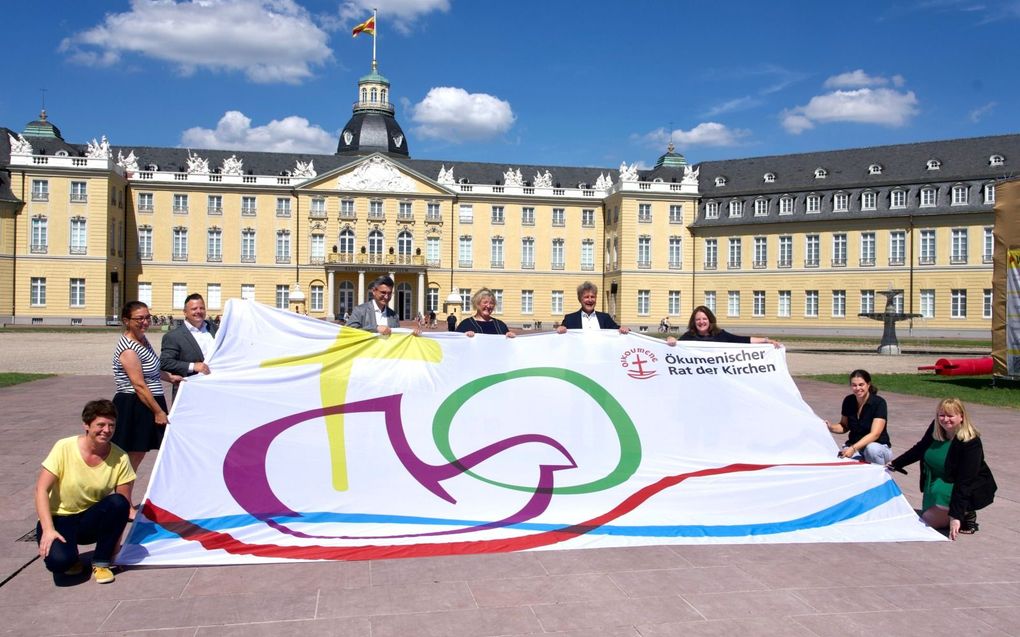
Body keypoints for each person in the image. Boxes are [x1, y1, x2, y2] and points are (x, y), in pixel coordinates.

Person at [35, 399, 135, 584]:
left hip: (90, 519)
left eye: (111, 425)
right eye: (100, 425)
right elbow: (41, 489)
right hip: (60, 519)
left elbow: (123, 508)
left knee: (118, 502)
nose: (106, 430)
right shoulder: (64, 447)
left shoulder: (121, 457)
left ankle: (101, 562)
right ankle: (71, 559)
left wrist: (114, 552)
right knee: (60, 564)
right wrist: (48, 529)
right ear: (86, 425)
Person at [888, 398, 996, 540]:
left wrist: (955, 516)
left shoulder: (971, 442)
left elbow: (965, 481)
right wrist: (896, 463)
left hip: (965, 486)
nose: (945, 420)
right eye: (942, 415)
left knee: (929, 520)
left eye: (951, 416)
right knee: (928, 518)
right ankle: (952, 510)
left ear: (961, 416)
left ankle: (965, 513)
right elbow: (921, 448)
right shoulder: (936, 427)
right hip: (937, 482)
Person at [113, 301, 182, 473]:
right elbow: (139, 384)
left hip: (147, 400)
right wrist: (158, 411)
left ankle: (123, 497)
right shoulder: (128, 348)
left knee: (139, 453)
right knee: (131, 455)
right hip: (135, 403)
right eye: (139, 319)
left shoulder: (142, 340)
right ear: (126, 321)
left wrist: (171, 377)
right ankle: (122, 497)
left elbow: (151, 370)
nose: (145, 322)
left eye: (147, 317)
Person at [825, 369, 892, 465]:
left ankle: (882, 477)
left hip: (879, 447)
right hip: (855, 447)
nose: (857, 388)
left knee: (872, 449)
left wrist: (853, 448)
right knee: (840, 461)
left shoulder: (879, 403)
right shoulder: (848, 401)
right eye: (854, 385)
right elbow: (844, 426)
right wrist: (830, 427)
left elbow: (875, 434)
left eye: (861, 384)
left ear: (868, 384)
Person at [160, 293, 218, 401]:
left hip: (215, 389)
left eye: (202, 308)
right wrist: (193, 366)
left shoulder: (213, 328)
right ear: (185, 312)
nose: (199, 311)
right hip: (189, 392)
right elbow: (165, 362)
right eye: (194, 309)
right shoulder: (173, 336)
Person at [678, 305, 779, 346]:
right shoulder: (688, 337)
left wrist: (766, 340)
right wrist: (670, 338)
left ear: (710, 320)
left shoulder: (720, 335)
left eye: (705, 319)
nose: (701, 322)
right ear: (694, 322)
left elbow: (742, 340)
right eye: (698, 319)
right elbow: (675, 347)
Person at [557, 281, 629, 334]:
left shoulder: (605, 318)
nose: (590, 300)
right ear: (580, 299)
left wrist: (623, 329)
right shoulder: (570, 319)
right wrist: (560, 329)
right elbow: (561, 337)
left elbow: (617, 330)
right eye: (586, 297)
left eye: (592, 297)